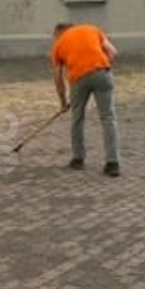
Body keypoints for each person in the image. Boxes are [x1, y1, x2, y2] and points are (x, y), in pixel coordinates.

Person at [50, 21, 120, 176]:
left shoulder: (58, 45)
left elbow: (58, 78)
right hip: (102, 72)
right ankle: (113, 162)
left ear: (58, 33)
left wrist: (63, 102)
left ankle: (78, 159)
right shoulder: (93, 29)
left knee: (77, 118)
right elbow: (113, 52)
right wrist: (103, 69)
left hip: (78, 78)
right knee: (108, 117)